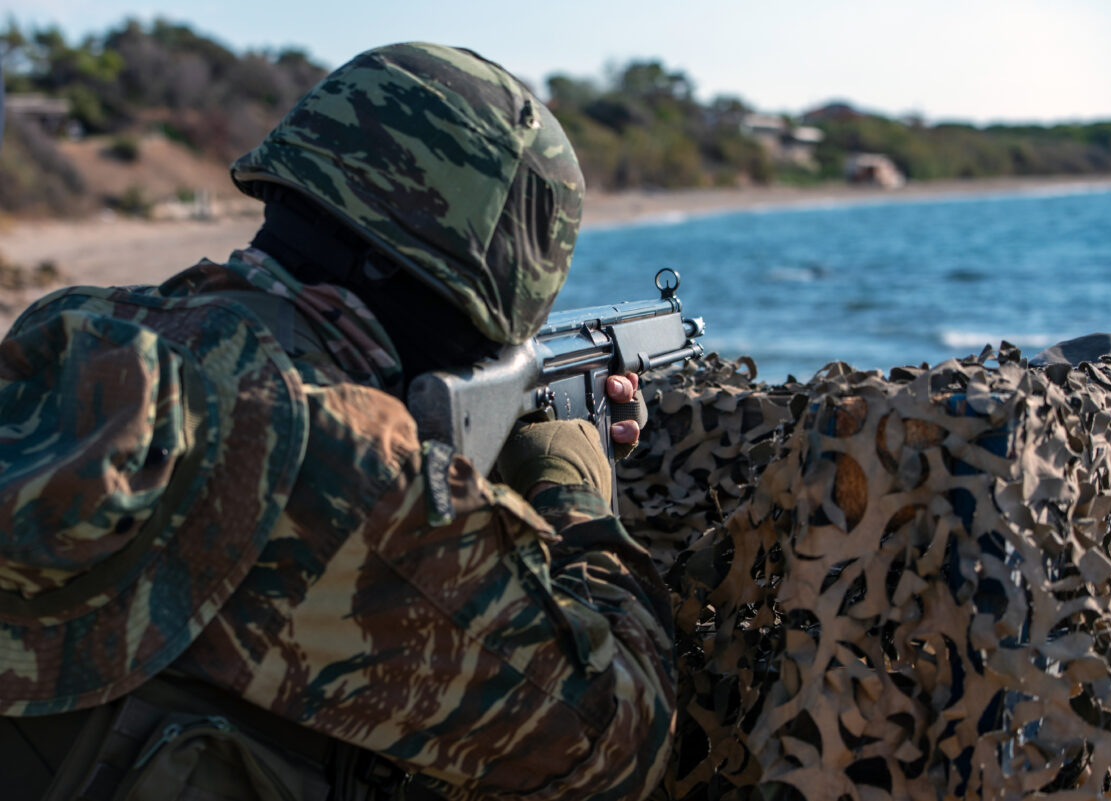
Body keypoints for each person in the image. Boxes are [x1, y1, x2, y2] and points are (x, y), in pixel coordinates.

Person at [0, 43, 674, 801]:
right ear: (466, 300)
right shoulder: (343, 470)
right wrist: (569, 479)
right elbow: (618, 745)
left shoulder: (74, 328)